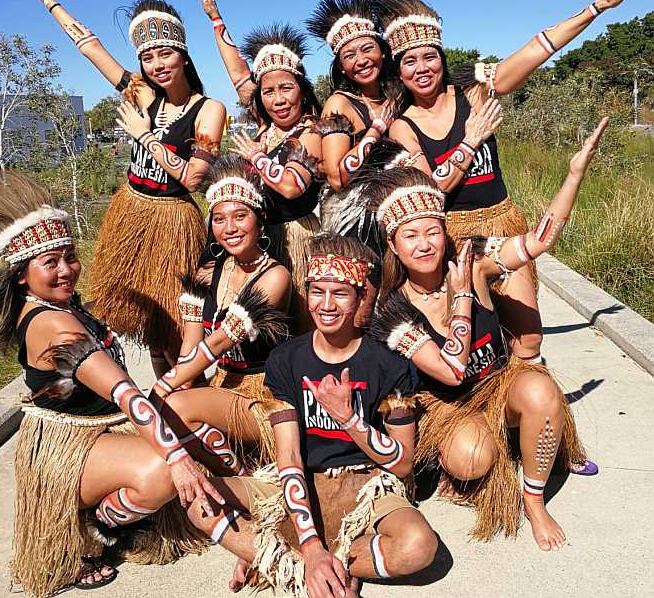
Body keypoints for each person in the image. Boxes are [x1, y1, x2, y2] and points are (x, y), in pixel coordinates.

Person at [373, 0, 647, 367]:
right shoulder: (402, 127)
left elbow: (539, 49)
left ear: (442, 58)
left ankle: (531, 410)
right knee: (474, 344)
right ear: (399, 70)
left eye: (429, 57)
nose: (422, 68)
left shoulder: (477, 93)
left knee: (528, 339)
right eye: (409, 62)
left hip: (505, 224)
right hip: (452, 239)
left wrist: (598, 8)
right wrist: (470, 141)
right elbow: (432, 191)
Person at [367, 119, 608, 551]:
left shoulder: (474, 258)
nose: (424, 244)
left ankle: (533, 498)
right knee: (472, 458)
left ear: (445, 232)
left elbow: (539, 240)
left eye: (432, 231)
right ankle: (479, 458)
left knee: (541, 393)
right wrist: (462, 298)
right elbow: (454, 373)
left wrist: (573, 175)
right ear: (394, 245)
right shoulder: (392, 312)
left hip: (499, 381)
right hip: (451, 404)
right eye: (411, 236)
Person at [0, 174, 223, 597]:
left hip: (98, 430)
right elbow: (127, 394)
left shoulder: (61, 305)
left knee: (199, 429)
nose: (66, 270)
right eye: (50, 263)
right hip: (71, 446)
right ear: (22, 274)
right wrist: (177, 459)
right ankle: (90, 531)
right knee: (164, 473)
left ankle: (116, 510)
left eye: (70, 257)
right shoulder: (55, 326)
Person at [185, 234, 437, 597]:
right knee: (201, 504)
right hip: (302, 477)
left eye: (340, 293)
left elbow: (401, 464)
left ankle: (286, 560)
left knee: (418, 546)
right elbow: (289, 458)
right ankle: (314, 566)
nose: (327, 304)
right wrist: (312, 548)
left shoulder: (389, 362)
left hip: (366, 484)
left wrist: (348, 418)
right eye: (318, 291)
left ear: (360, 298)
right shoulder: (286, 360)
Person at [21, 0, 227, 376]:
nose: (157, 64)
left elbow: (193, 176)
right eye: (148, 57)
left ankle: (190, 394)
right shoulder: (142, 95)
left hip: (173, 220)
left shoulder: (209, 109)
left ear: (184, 56)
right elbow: (91, 47)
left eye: (166, 53)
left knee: (175, 322)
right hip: (132, 211)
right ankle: (163, 402)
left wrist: (145, 136)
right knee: (145, 323)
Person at [150, 154, 292, 471]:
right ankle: (230, 472)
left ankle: (238, 479)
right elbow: (191, 344)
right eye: (219, 219)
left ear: (259, 219)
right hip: (222, 384)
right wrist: (180, 382)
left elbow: (217, 344)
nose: (229, 228)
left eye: (240, 216)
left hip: (265, 394)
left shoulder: (275, 277)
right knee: (171, 413)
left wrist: (161, 388)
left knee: (171, 405)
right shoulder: (208, 274)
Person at [199, 0, 322, 331]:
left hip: (298, 237)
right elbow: (238, 71)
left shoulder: (313, 131)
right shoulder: (265, 126)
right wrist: (215, 19)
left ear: (302, 89)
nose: (278, 99)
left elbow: (290, 187)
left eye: (287, 88)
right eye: (269, 91)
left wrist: (258, 158)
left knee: (299, 324)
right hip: (257, 240)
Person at [306, 0, 396, 324]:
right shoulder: (339, 105)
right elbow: (337, 176)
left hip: (392, 213)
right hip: (354, 223)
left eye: (367, 49)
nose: (361, 61)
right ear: (341, 66)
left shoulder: (396, 96)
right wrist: (375, 131)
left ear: (382, 52)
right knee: (361, 307)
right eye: (349, 56)